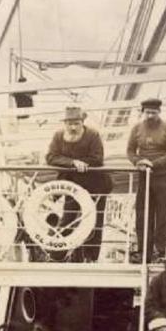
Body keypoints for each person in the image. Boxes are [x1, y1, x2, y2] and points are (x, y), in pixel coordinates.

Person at [45, 106, 110, 263]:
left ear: (82, 122)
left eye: (76, 123)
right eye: (70, 123)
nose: (73, 127)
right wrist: (72, 163)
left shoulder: (93, 135)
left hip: (95, 183)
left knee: (95, 219)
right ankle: (58, 252)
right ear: (65, 123)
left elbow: (97, 158)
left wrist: (83, 163)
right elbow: (50, 157)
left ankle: (91, 256)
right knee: (68, 216)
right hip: (72, 184)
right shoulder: (59, 136)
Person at [127, 96, 166, 261]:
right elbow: (130, 151)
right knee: (143, 214)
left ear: (159, 112)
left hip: (163, 178)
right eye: (148, 112)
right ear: (143, 112)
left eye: (154, 113)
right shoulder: (136, 129)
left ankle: (163, 252)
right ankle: (145, 252)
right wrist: (138, 162)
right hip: (144, 177)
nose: (150, 116)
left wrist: (153, 164)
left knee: (163, 214)